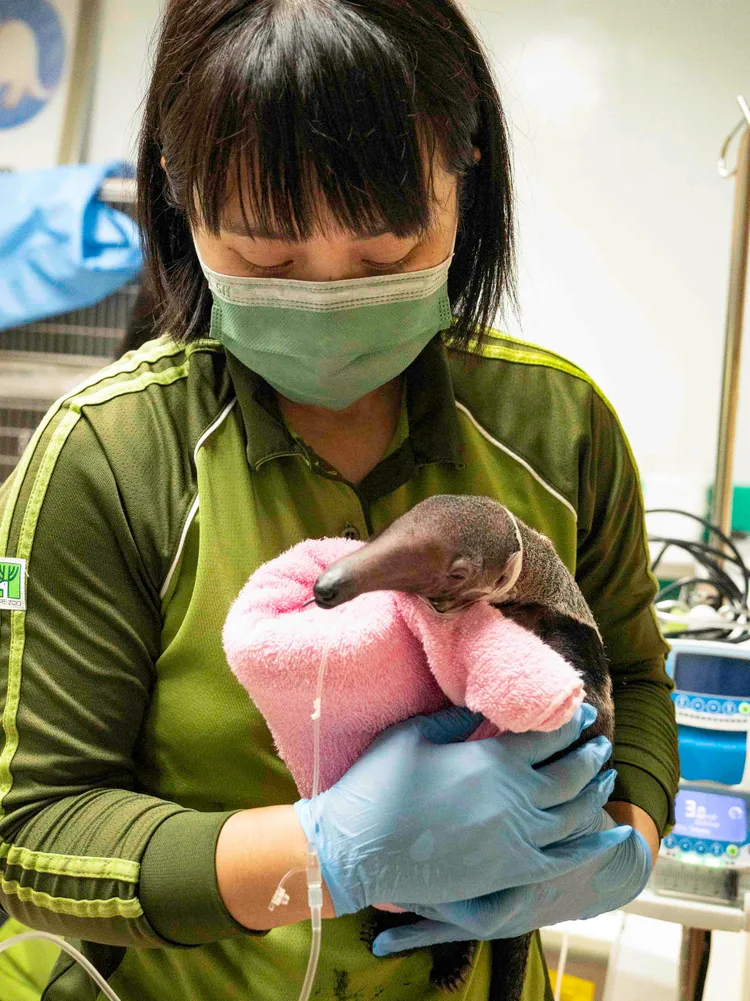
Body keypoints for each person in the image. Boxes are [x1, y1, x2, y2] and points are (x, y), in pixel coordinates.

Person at [0, 2, 678, 999]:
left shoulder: (559, 429)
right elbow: (30, 836)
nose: (327, 296)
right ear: (182, 202)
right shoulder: (106, 456)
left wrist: (623, 838)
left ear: (466, 168)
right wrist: (327, 853)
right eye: (268, 259)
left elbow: (638, 682)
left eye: (385, 254)